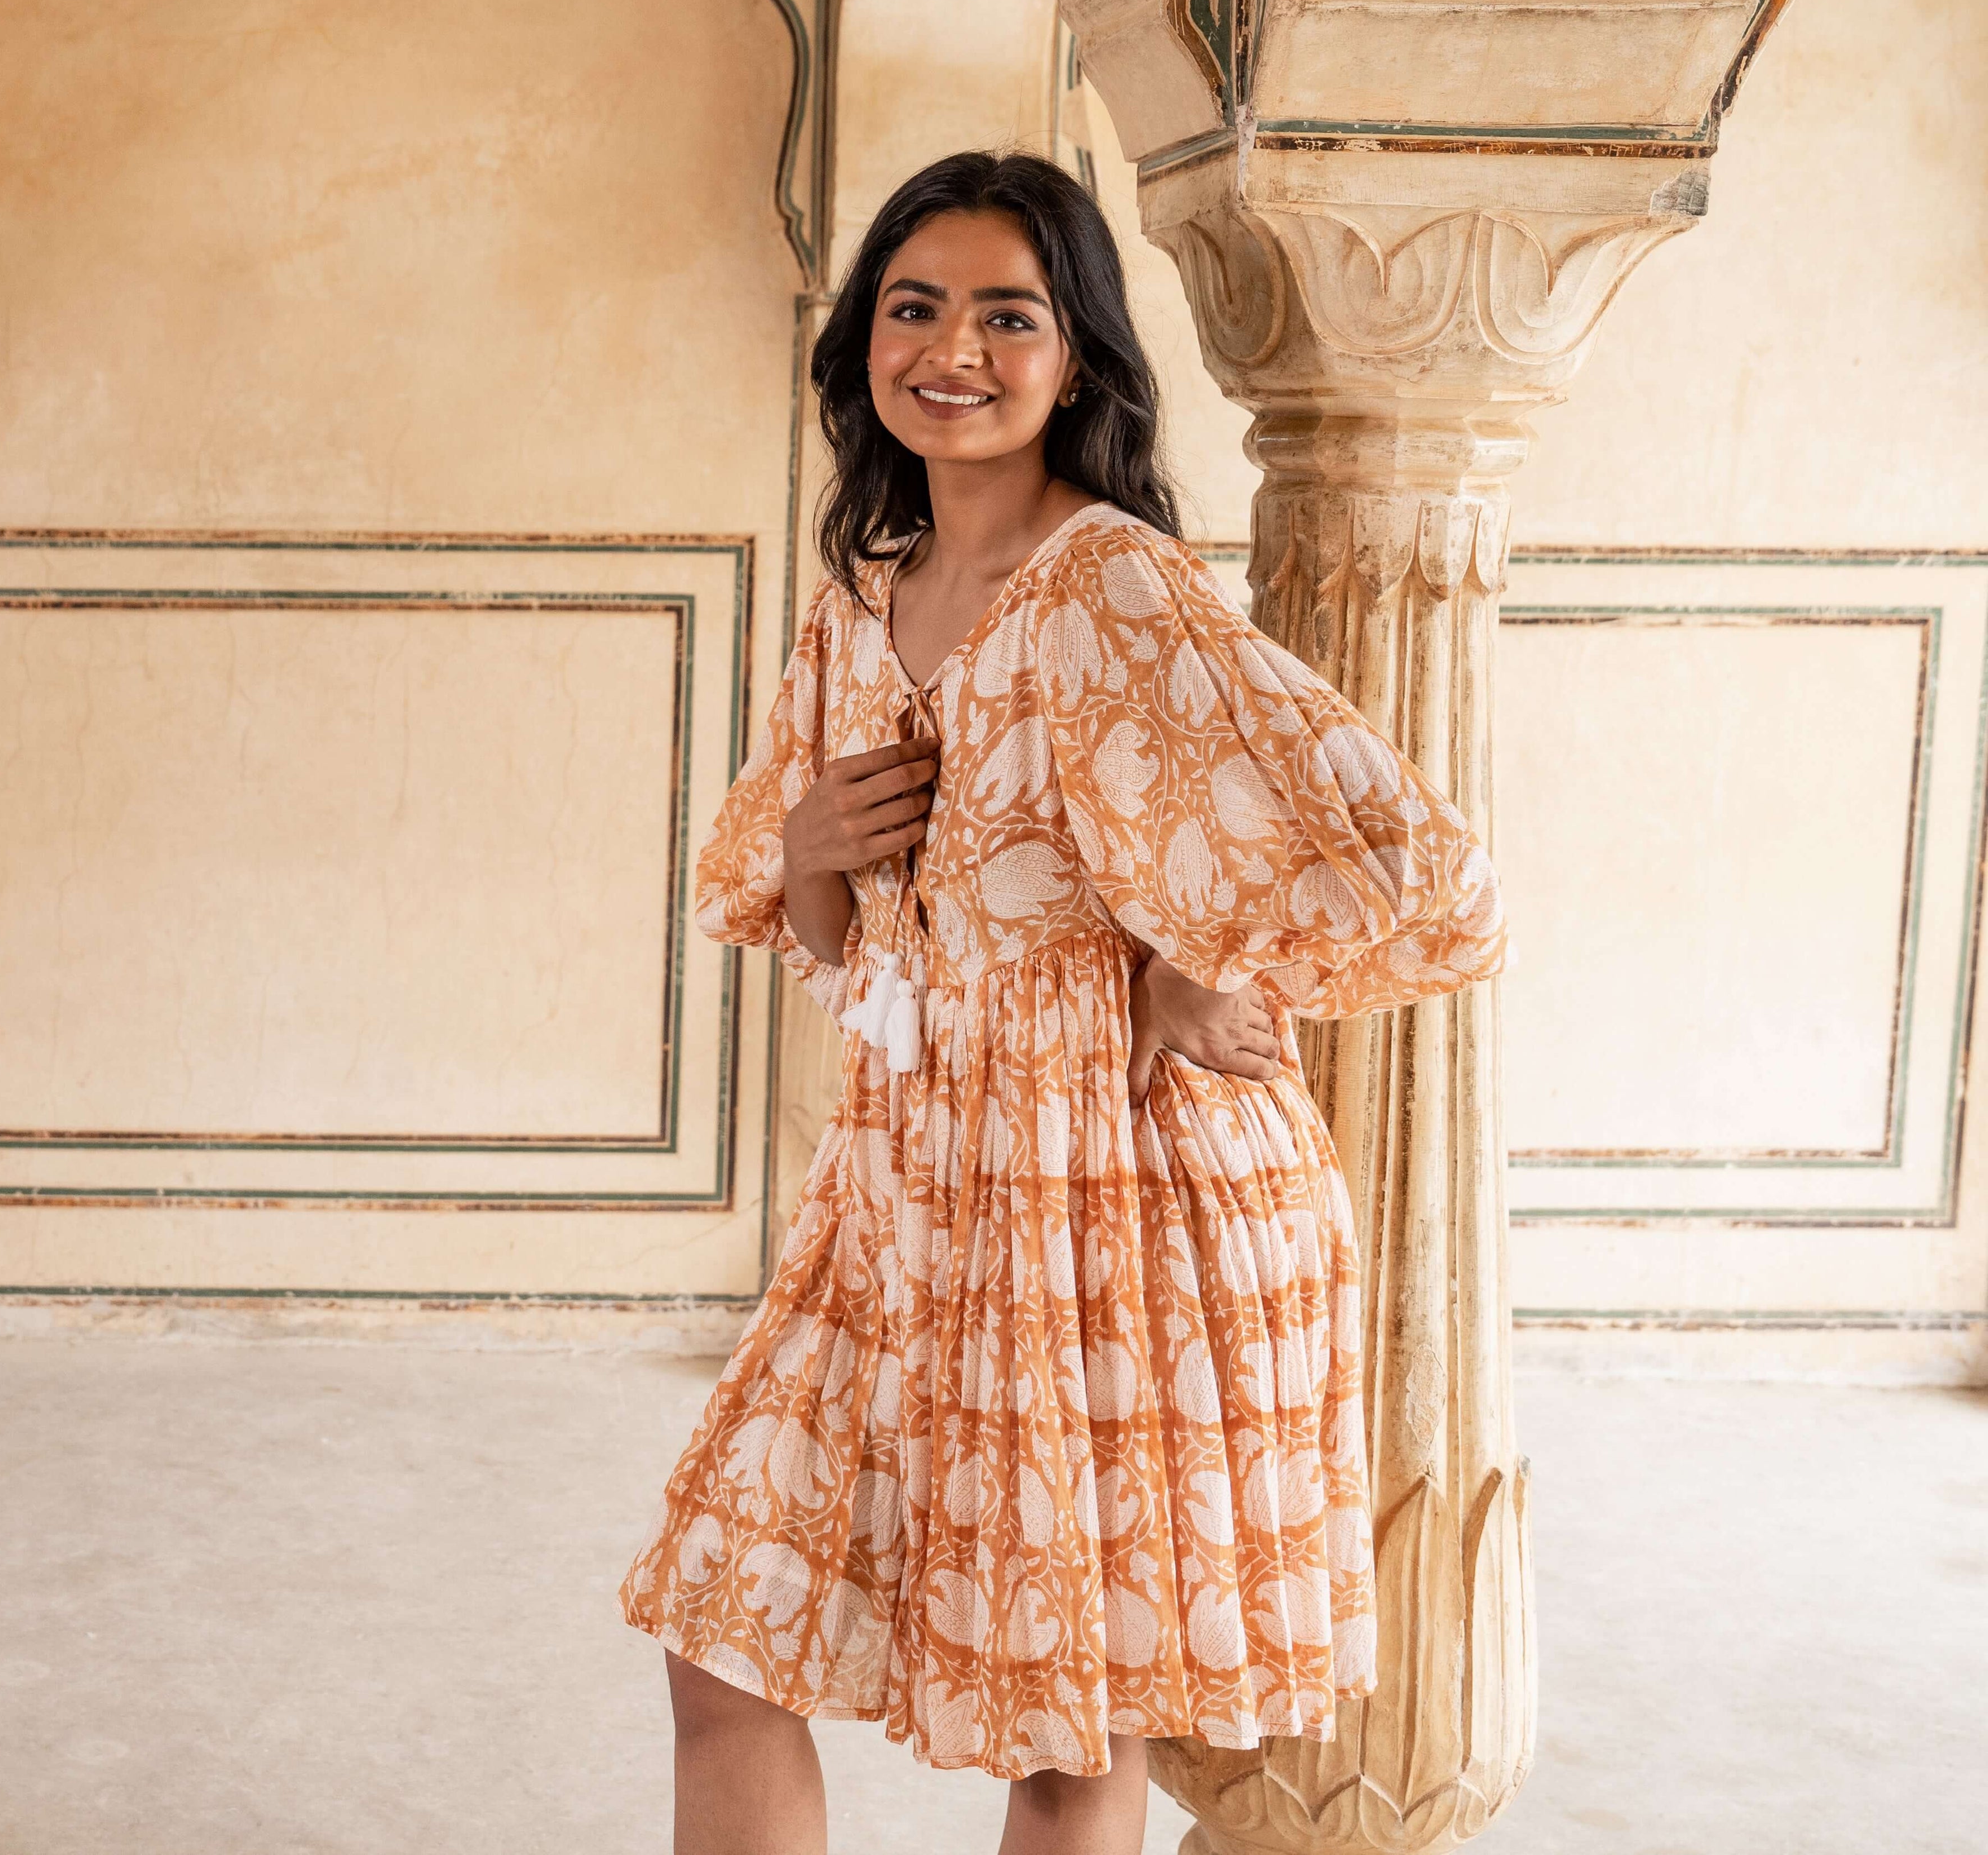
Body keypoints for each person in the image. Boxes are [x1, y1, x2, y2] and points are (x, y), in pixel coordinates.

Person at [618, 152, 1508, 1855]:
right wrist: (811, 851)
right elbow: (853, 968)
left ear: (1079, 358)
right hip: (899, 1205)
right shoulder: (865, 606)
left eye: (1006, 314)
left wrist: (1197, 965)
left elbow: (1417, 863)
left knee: (1066, 1727)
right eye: (914, 305)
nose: (952, 347)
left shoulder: (1116, 594)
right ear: (863, 345)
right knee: (721, 1637)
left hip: (1107, 1220)